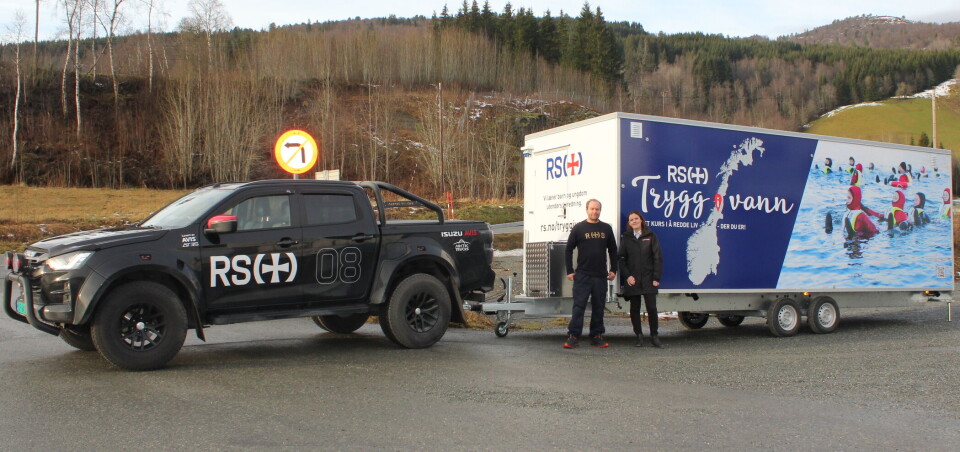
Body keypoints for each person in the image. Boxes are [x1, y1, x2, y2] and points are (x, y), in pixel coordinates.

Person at [563, 199, 618, 349]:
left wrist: (614, 270)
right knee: (579, 306)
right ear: (587, 209)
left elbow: (613, 250)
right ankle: (573, 336)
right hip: (582, 275)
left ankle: (596, 335)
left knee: (598, 307)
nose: (595, 211)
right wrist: (569, 270)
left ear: (600, 210)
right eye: (592, 209)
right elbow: (568, 250)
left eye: (597, 209)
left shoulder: (606, 228)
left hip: (600, 275)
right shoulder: (579, 228)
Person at [618, 211, 663, 348]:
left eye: (636, 218)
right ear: (629, 223)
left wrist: (656, 277)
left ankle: (654, 336)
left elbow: (657, 258)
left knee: (652, 308)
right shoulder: (626, 238)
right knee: (634, 309)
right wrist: (628, 276)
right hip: (633, 280)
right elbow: (621, 259)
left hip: (649, 279)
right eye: (631, 220)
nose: (634, 221)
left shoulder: (651, 236)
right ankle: (639, 336)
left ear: (641, 220)